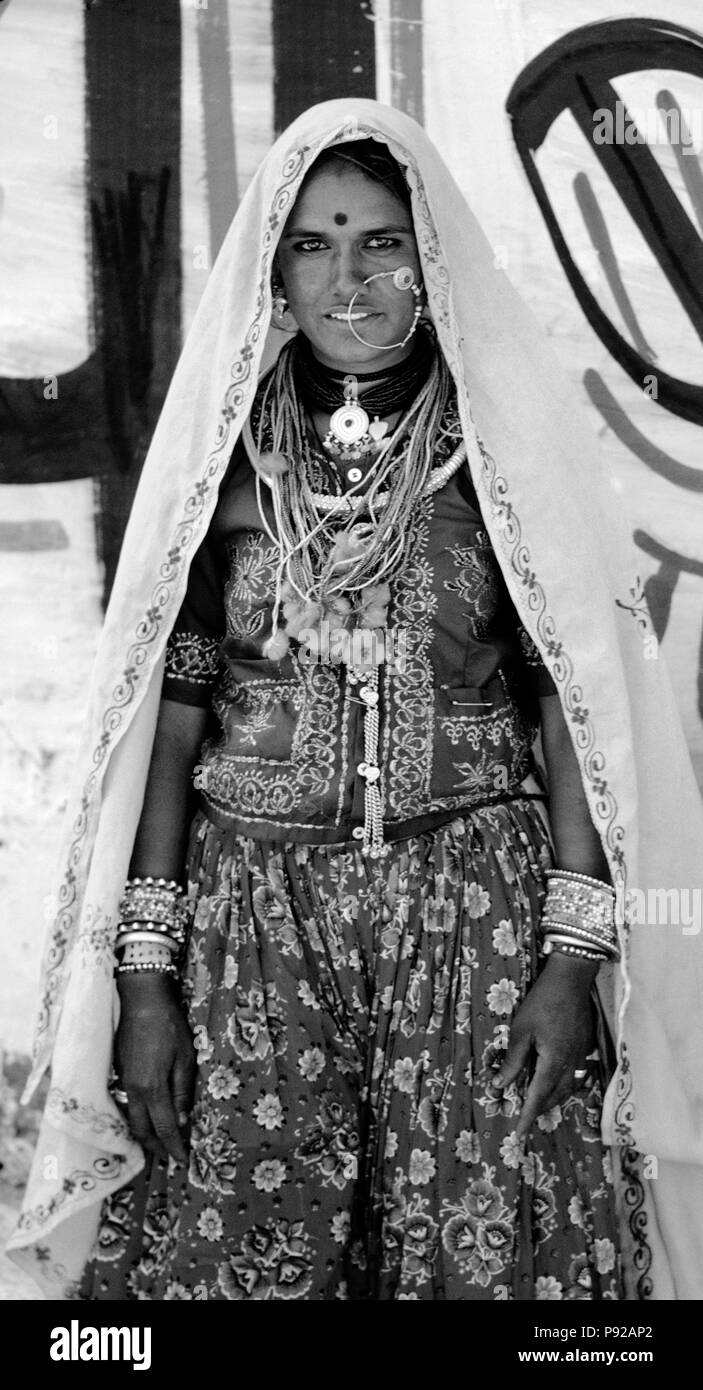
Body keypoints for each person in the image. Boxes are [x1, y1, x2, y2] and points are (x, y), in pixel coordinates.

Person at [8, 100, 703, 1301]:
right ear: (276, 265)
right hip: (250, 928)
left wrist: (573, 956)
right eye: (315, 243)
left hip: (474, 918)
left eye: (381, 241)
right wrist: (143, 978)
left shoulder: (500, 453)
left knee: (494, 1256)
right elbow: (171, 725)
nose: (349, 277)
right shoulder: (222, 465)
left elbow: (569, 708)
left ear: (426, 259)